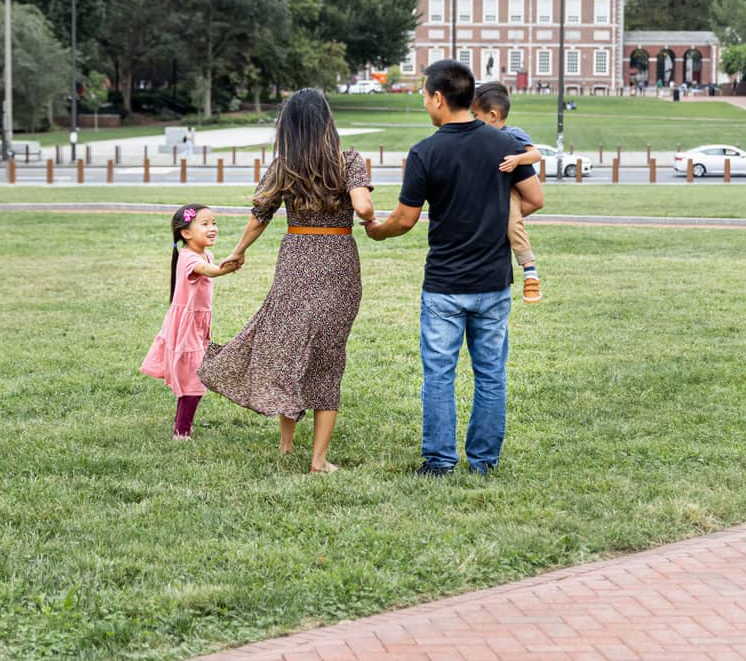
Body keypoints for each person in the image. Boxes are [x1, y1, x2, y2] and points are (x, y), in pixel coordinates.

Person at [366, 60, 544, 477]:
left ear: (439, 99)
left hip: (445, 284)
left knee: (440, 377)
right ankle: (483, 462)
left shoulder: (426, 152)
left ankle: (440, 461)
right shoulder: (503, 144)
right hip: (494, 281)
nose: (426, 102)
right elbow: (534, 199)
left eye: (426, 95)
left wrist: (376, 231)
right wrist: (501, 213)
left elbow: (405, 220)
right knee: (491, 376)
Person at [198, 88, 375, 473]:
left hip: (295, 259)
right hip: (338, 262)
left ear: (289, 127)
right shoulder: (349, 161)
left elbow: (260, 214)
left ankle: (285, 445)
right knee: (329, 357)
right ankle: (318, 460)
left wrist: (239, 250)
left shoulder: (283, 166)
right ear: (328, 122)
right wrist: (367, 212)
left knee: (292, 348)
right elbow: (363, 206)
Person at [140, 204, 241, 440]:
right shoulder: (188, 258)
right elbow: (208, 271)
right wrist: (225, 268)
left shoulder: (207, 253)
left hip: (198, 324)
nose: (212, 227)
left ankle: (181, 424)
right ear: (186, 233)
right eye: (204, 224)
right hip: (186, 325)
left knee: (190, 376)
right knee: (194, 378)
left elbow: (210, 266)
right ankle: (182, 431)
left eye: (214, 222)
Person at [470, 83, 543, 303]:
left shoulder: (512, 135)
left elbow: (536, 154)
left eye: (475, 115)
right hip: (487, 193)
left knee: (512, 222)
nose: (473, 119)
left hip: (509, 190)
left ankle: (530, 271)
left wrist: (517, 159)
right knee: (507, 222)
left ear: (492, 115)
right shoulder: (478, 137)